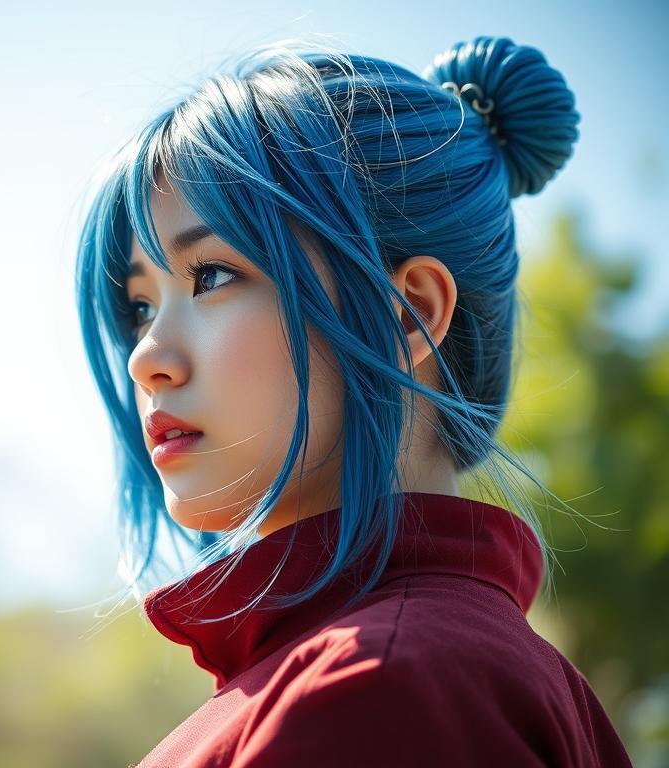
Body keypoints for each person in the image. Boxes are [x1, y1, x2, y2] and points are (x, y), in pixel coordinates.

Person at [74, 34, 633, 766]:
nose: (147, 357)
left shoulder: (377, 686)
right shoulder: (416, 669)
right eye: (141, 306)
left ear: (407, 312)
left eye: (210, 275)